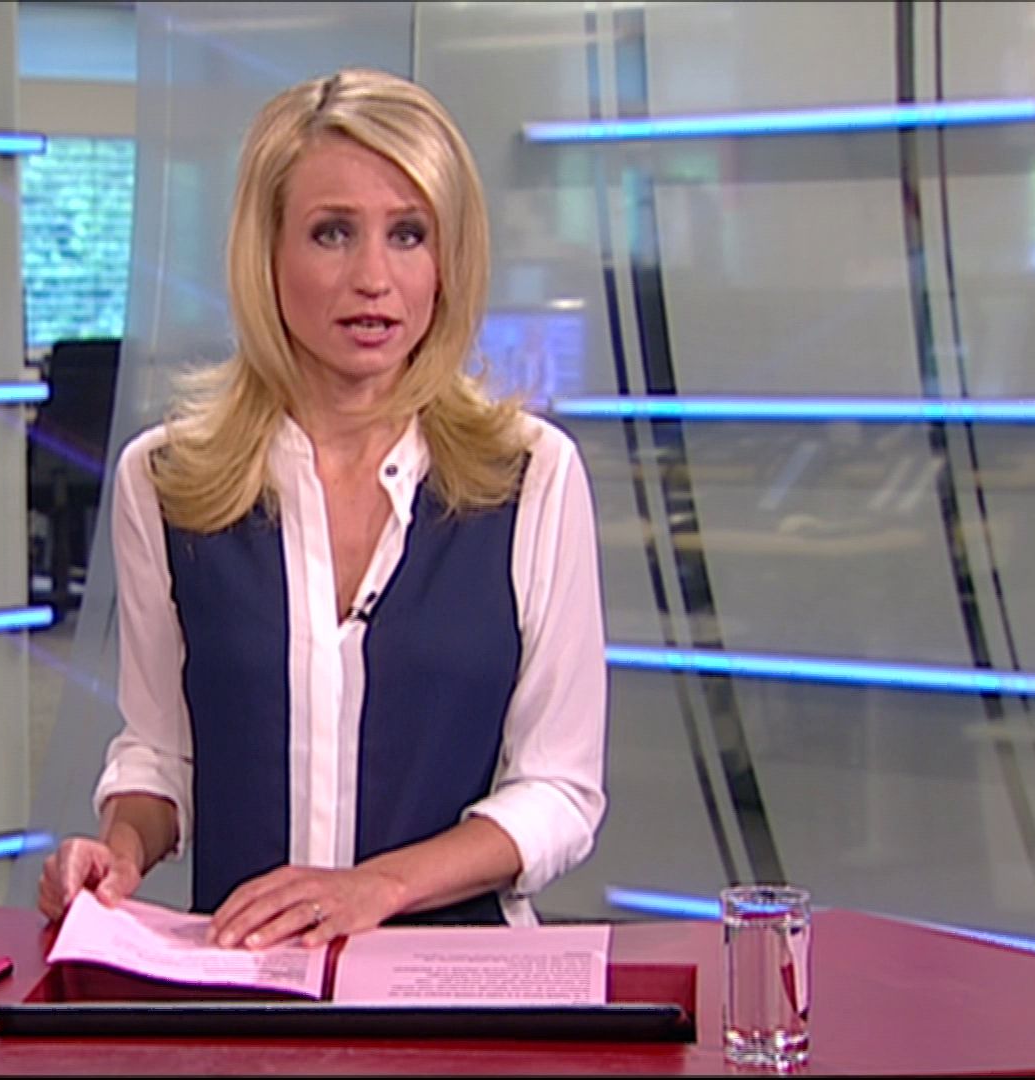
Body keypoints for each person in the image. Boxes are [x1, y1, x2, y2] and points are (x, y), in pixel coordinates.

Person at [37, 68, 607, 950]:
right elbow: (159, 753)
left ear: (448, 262)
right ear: (266, 254)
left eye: (409, 234)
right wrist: (118, 851)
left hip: (455, 978)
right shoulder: (168, 481)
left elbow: (561, 791)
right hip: (247, 980)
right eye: (332, 233)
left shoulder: (532, 475)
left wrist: (376, 888)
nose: (374, 277)